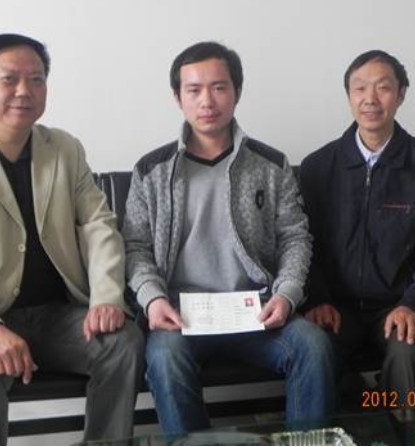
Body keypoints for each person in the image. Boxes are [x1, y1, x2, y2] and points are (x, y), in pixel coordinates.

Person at [0, 33, 144, 445]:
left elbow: (99, 226)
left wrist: (107, 296)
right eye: (9, 79)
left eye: (36, 80)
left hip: (58, 316)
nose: (24, 91)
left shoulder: (64, 149)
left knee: (121, 342)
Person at [122, 41, 335, 435]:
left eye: (219, 87)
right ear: (177, 97)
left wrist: (287, 295)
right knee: (166, 360)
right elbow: (135, 247)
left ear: (237, 91)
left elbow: (295, 238)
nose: (207, 101)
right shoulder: (151, 170)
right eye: (194, 89)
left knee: (312, 345)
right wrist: (152, 299)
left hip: (257, 311)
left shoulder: (270, 165)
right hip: (180, 316)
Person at [299, 50, 415, 409]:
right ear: (348, 96)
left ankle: (413, 431)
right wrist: (317, 300)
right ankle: (335, 429)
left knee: (408, 352)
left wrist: (414, 305)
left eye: (383, 88)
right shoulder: (318, 167)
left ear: (401, 95)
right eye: (359, 88)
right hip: (336, 309)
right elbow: (301, 245)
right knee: (310, 350)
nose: (370, 99)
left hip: (399, 306)